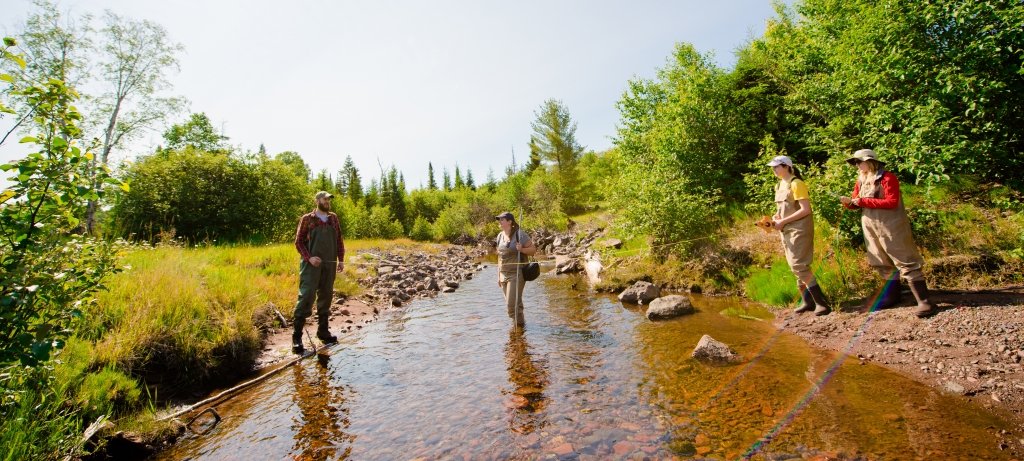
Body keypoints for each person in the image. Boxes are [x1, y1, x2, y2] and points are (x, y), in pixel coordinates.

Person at [840, 149, 935, 317]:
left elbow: (891, 202)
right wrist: (849, 203)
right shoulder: (861, 180)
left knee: (905, 259)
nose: (857, 165)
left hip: (892, 225)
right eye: (855, 162)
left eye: (859, 161)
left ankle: (924, 301)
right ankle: (892, 296)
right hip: (869, 225)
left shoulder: (887, 177)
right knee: (880, 260)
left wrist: (862, 201)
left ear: (870, 161)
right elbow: (858, 203)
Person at [768, 155, 831, 315]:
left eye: (777, 166)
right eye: (773, 167)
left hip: (800, 229)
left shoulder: (797, 183)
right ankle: (807, 302)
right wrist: (777, 217)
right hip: (786, 230)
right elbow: (782, 208)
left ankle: (821, 303)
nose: (774, 170)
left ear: (787, 166)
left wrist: (783, 221)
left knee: (799, 265)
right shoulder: (779, 185)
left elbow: (805, 210)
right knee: (793, 266)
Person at [292, 191, 346, 353]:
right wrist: (309, 258)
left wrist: (341, 259)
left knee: (326, 295)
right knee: (307, 295)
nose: (327, 201)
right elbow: (298, 242)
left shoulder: (333, 218)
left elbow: (339, 239)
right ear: (317, 200)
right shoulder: (307, 219)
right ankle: (297, 338)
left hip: (329, 265)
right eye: (325, 199)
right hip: (311, 265)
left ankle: (323, 331)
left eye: (329, 199)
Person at [495, 212, 536, 327]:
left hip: (517, 274)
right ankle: (519, 328)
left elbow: (533, 250)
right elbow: (499, 257)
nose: (500, 221)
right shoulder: (499, 236)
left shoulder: (519, 234)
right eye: (499, 220)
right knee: (515, 304)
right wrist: (498, 275)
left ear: (509, 221)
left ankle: (518, 330)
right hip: (503, 275)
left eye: (502, 219)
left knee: (511, 306)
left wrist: (522, 249)